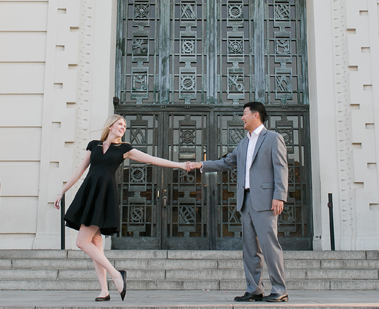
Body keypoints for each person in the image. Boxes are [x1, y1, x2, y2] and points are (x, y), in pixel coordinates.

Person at [55, 114, 188, 301]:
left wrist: (181, 165)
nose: (123, 127)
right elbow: (79, 171)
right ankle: (104, 290)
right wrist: (62, 191)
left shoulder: (124, 149)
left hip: (103, 195)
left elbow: (152, 159)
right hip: (89, 193)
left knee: (81, 242)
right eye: (120, 124)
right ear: (110, 126)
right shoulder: (94, 145)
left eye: (125, 126)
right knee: (95, 245)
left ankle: (116, 275)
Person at [185, 102, 289, 302]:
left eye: (244, 114)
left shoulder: (273, 139)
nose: (242, 118)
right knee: (250, 248)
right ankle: (254, 289)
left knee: (269, 246)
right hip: (246, 201)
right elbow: (226, 163)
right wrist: (200, 164)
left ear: (255, 115)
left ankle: (279, 289)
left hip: (266, 201)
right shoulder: (243, 144)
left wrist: (279, 196)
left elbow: (281, 168)